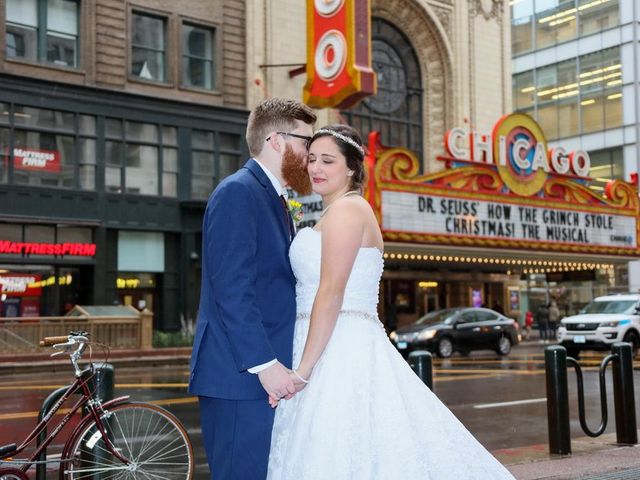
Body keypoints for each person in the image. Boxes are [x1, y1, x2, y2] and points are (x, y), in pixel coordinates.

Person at [267, 125, 514, 479]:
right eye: (311, 159)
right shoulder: (333, 213)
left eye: (327, 160)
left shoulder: (349, 211)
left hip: (339, 348)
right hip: (323, 341)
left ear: (351, 168)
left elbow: (331, 291)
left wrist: (303, 372)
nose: (315, 168)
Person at [188, 97, 317, 479]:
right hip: (240, 377)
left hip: (263, 378)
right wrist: (264, 365)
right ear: (276, 140)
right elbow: (232, 290)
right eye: (305, 142)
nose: (310, 154)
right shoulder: (238, 192)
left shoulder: (274, 198)